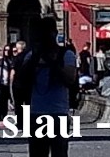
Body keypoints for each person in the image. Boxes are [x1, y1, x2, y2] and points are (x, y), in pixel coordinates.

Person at [13, 18, 79, 157]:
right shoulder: (32, 56)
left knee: (59, 153)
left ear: (54, 34)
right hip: (36, 112)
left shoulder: (66, 54)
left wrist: (51, 62)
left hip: (58, 113)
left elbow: (69, 80)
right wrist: (35, 58)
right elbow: (21, 81)